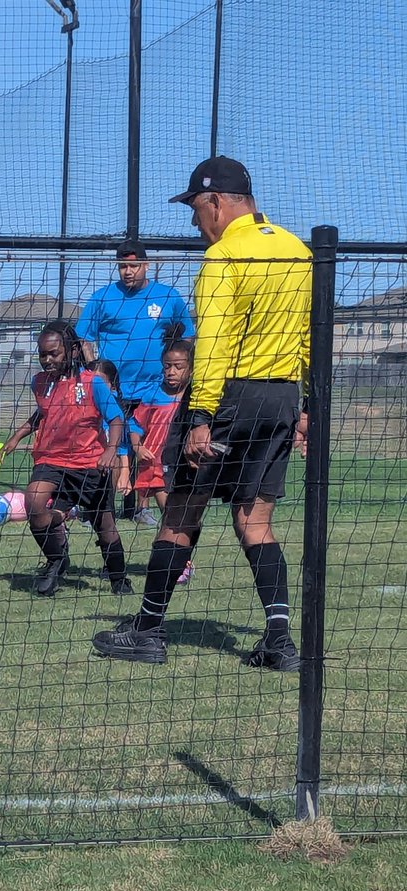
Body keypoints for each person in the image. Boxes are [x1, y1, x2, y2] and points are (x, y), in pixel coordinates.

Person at [91, 156, 311, 670]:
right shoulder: (298, 250)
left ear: (216, 200)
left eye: (194, 207)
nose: (194, 221)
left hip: (228, 398)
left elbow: (212, 344)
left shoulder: (223, 257)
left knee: (181, 514)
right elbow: (308, 337)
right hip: (280, 398)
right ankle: (279, 642)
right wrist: (304, 408)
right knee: (255, 522)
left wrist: (200, 418)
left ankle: (146, 630)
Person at [0, 321, 131, 597]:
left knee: (105, 526)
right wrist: (16, 436)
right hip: (51, 460)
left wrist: (110, 449)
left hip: (89, 465)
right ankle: (57, 559)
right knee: (33, 502)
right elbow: (43, 414)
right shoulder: (39, 382)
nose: (47, 360)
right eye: (42, 354)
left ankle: (119, 580)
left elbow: (116, 419)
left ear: (71, 351)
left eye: (53, 354)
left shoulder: (92, 383)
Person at [76, 239, 194, 525]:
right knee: (112, 447)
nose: (127, 271)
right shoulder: (103, 297)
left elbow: (188, 334)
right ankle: (99, 506)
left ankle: (139, 507)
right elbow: (84, 337)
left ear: (146, 265)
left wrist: (181, 369)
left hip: (153, 389)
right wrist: (95, 373)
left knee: (150, 448)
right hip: (115, 391)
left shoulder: (167, 297)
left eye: (133, 265)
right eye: (122, 266)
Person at [127, 336, 195, 584]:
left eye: (178, 367)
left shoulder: (195, 396)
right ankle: (181, 564)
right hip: (155, 465)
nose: (171, 372)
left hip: (183, 464)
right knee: (171, 513)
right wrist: (138, 446)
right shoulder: (153, 394)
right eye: (167, 366)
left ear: (191, 368)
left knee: (177, 516)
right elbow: (134, 424)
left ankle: (169, 558)